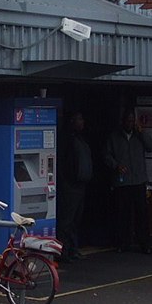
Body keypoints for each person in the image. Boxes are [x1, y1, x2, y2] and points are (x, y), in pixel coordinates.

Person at [103, 109, 152, 254]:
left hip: (139, 180)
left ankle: (144, 243)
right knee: (123, 214)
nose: (130, 124)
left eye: (132, 121)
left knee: (142, 214)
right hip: (122, 181)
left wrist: (142, 132)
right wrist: (116, 165)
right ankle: (122, 243)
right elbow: (106, 155)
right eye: (128, 121)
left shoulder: (139, 136)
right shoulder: (114, 137)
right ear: (123, 122)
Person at [57, 112, 92, 262]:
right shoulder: (68, 140)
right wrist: (66, 181)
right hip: (71, 186)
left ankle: (73, 249)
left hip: (80, 185)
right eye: (79, 119)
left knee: (75, 220)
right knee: (67, 220)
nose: (82, 122)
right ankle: (63, 252)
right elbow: (64, 162)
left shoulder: (80, 139)